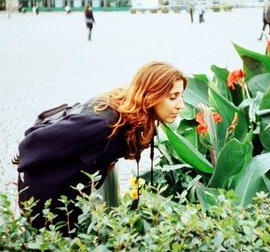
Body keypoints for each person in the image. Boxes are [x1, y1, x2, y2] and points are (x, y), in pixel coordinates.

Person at [16, 61, 187, 230]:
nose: (181, 105)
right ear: (149, 95)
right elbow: (35, 143)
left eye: (181, 96)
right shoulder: (103, 125)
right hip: (45, 199)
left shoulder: (127, 113)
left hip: (70, 196)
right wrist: (20, 157)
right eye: (173, 97)